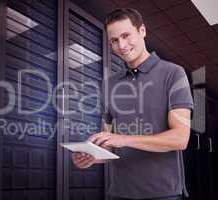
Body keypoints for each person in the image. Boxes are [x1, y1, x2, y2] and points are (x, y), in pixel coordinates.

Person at [71, 8, 194, 200]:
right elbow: (110, 144)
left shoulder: (173, 73)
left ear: (142, 31)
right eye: (114, 40)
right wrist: (92, 157)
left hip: (163, 194)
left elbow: (180, 138)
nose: (121, 45)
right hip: (119, 193)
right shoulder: (109, 84)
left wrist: (125, 139)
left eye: (126, 35)